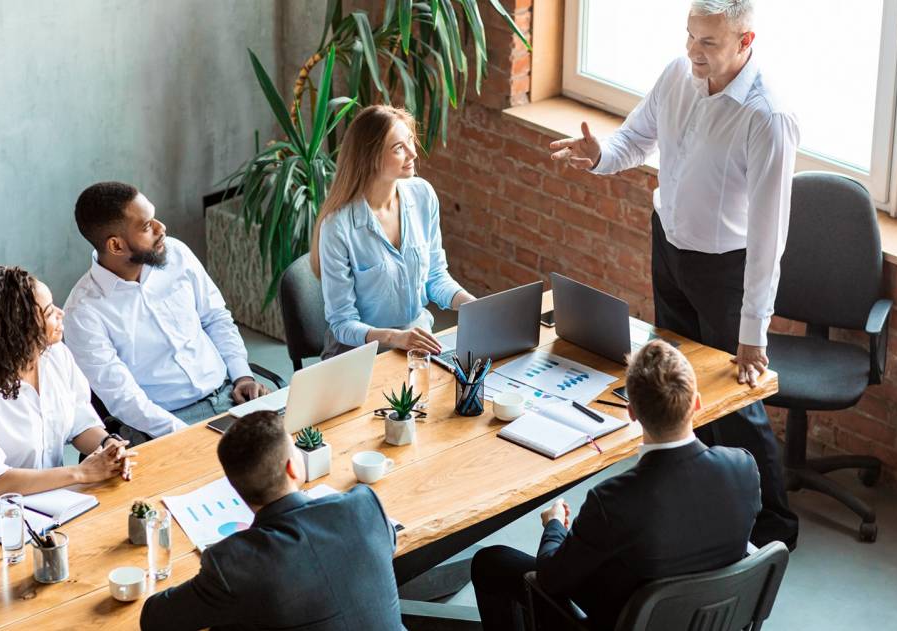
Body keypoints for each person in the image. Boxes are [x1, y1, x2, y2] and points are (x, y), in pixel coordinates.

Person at [547, 0, 798, 548]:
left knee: (737, 405)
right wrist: (598, 156)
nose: (693, 52)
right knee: (680, 394)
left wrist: (753, 332)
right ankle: (705, 505)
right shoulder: (677, 75)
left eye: (708, 43)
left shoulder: (767, 117)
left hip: (726, 269)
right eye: (690, 36)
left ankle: (774, 523)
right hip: (671, 248)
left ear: (745, 42)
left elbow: (769, 236)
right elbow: (635, 142)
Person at [471, 340, 761, 630]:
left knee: (490, 561)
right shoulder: (743, 467)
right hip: (709, 617)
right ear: (696, 402)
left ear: (632, 412)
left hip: (630, 616)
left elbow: (549, 578)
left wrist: (555, 525)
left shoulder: (614, 500)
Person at [140, 410, 403, 630]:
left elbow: (154, 619)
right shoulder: (363, 505)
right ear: (292, 467)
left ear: (234, 488)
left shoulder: (233, 563)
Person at [63, 181, 268, 442]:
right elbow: (123, 398)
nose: (162, 228)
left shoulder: (177, 254)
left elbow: (216, 318)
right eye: (147, 226)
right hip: (166, 423)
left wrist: (242, 376)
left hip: (231, 394)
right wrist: (186, 435)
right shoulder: (83, 312)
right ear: (116, 246)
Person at [0, 265, 135, 505]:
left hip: (48, 500)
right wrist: (81, 473)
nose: (60, 313)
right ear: (18, 328)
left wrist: (108, 446)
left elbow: (80, 423)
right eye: (48, 312)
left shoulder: (57, 355)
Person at [312, 104, 476, 359]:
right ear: (371, 157)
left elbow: (434, 276)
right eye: (399, 148)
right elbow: (342, 322)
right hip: (358, 356)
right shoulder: (338, 227)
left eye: (410, 141)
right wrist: (394, 337)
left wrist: (472, 306)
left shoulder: (423, 194)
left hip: (418, 345)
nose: (413, 153)